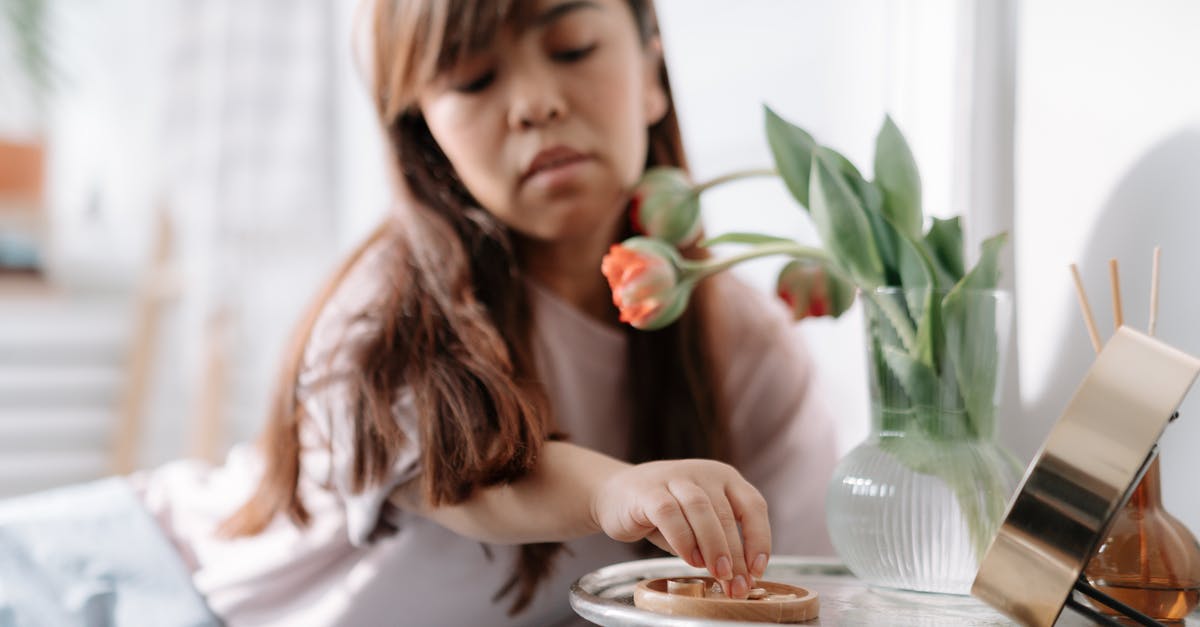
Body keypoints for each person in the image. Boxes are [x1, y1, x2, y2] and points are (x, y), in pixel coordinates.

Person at [0, 1, 837, 625]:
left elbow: (809, 583)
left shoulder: (745, 347)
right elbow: (467, 475)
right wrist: (617, 489)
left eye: (573, 46)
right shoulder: (389, 308)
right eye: (474, 78)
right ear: (426, 134)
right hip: (139, 582)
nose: (535, 102)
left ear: (653, 73)